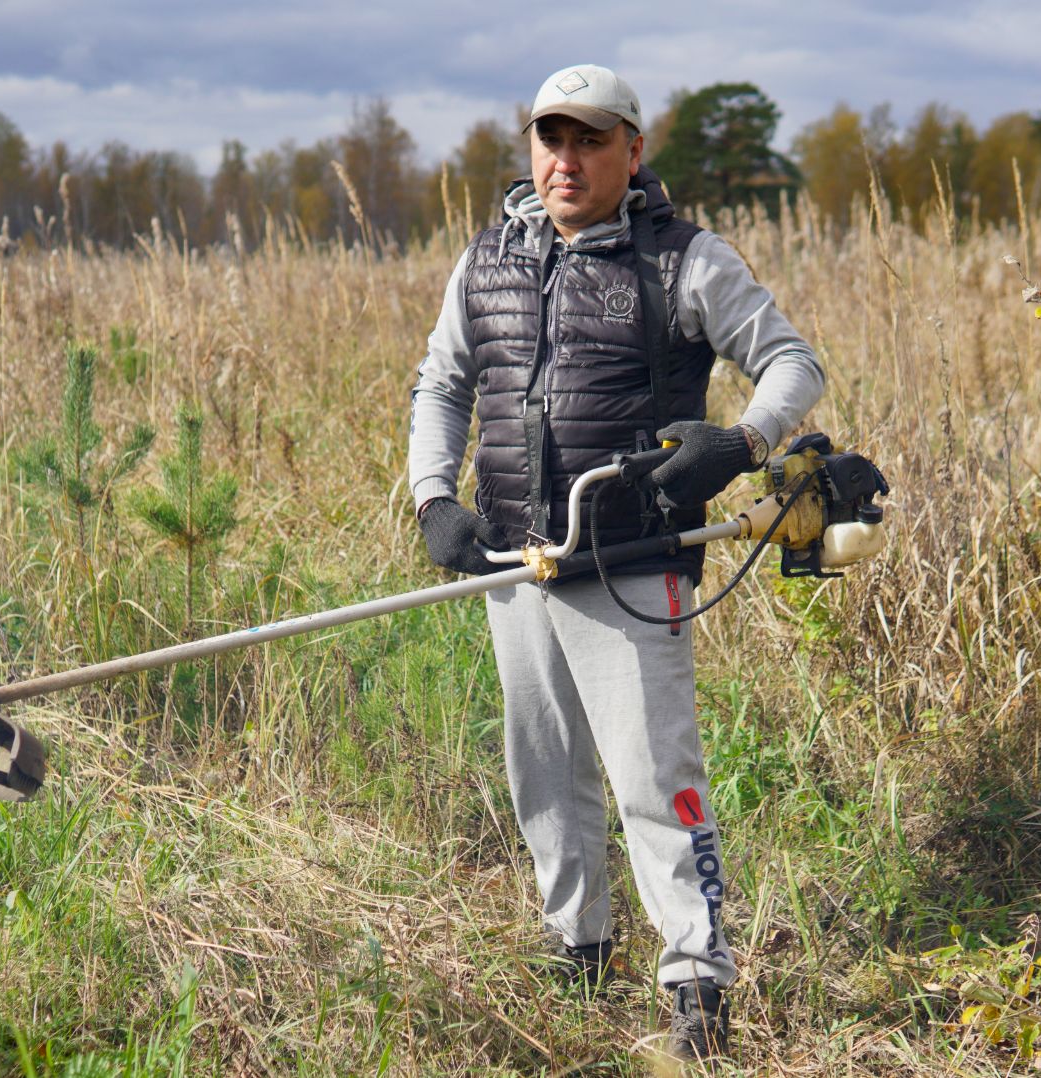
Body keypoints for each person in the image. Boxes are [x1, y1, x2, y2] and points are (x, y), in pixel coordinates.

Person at [405, 63, 824, 1060]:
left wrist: (742, 442)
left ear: (632, 153)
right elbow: (442, 384)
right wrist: (434, 498)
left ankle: (697, 984)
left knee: (654, 781)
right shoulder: (487, 260)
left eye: (590, 140)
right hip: (516, 560)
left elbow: (792, 363)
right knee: (544, 776)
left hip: (633, 559)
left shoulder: (684, 261)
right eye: (551, 138)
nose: (567, 159)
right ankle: (578, 945)